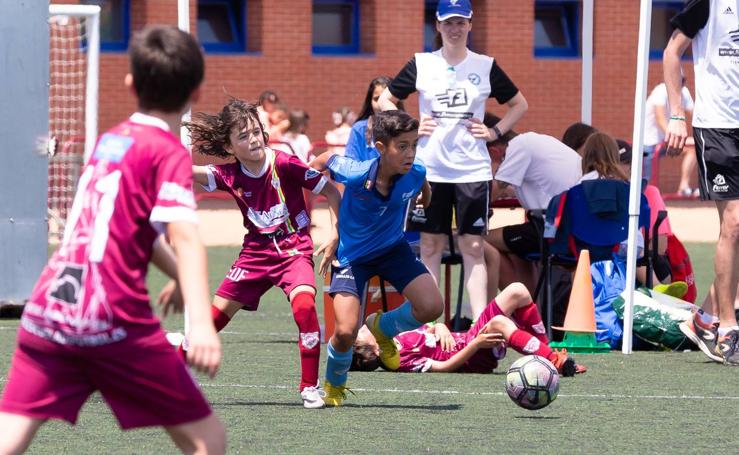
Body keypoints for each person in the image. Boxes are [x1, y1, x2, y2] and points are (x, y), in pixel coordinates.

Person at [0, 26, 226, 454]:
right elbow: (186, 236)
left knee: (7, 440)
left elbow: (123, 227)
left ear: (130, 84)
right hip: (112, 317)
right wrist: (201, 326)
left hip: (50, 309)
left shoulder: (110, 141)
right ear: (197, 92)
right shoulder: (167, 151)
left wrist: (177, 274)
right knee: (208, 440)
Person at [163, 98, 342, 408]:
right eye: (243, 136)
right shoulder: (229, 175)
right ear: (230, 147)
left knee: (304, 308)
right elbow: (186, 171)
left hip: (293, 251)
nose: (254, 139)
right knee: (210, 322)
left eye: (256, 132)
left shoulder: (284, 163)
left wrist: (336, 232)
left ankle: (309, 388)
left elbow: (328, 190)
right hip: (255, 255)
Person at [378, 0, 528, 320]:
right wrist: (411, 128)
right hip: (430, 169)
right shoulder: (422, 63)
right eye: (449, 23)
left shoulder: (485, 65)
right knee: (430, 246)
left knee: (473, 248)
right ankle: (431, 325)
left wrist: (495, 131)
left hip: (472, 169)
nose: (455, 29)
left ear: (471, 25)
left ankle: (479, 326)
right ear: (437, 25)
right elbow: (384, 100)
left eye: (461, 22)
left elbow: (519, 104)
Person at [310, 110, 442, 406]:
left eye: (414, 145)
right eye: (402, 146)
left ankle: (383, 327)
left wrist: (426, 196)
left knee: (432, 306)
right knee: (344, 332)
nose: (410, 154)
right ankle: (334, 386)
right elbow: (320, 162)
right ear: (381, 148)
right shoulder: (354, 172)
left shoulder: (416, 170)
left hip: (392, 249)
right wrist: (328, 225)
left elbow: (423, 184)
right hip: (352, 257)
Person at [664, 0, 739, 365]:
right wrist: (677, 114)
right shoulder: (710, 2)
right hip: (719, 126)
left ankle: (705, 318)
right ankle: (728, 327)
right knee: (734, 223)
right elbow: (671, 52)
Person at [351, 283, 585, 376]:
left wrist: (440, 326)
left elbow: (431, 328)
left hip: (469, 337)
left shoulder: (395, 335)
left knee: (517, 291)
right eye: (361, 332)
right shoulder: (398, 360)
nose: (364, 327)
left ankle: (545, 352)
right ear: (375, 351)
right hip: (472, 356)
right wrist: (476, 344)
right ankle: (554, 362)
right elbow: (442, 367)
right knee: (500, 324)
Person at [483, 118, 582, 294]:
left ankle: (524, 307)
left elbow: (492, 192)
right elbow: (544, 185)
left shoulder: (519, 146)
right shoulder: (537, 141)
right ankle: (533, 309)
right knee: (514, 248)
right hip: (569, 227)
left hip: (552, 229)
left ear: (494, 151)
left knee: (479, 241)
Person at [643, 80, 695, 192]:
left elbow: (695, 115)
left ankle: (683, 187)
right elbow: (659, 118)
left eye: (682, 81)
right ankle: (645, 194)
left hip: (666, 140)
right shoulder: (660, 91)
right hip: (649, 140)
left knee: (692, 149)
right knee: (647, 178)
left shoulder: (684, 92)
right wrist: (674, 137)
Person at [345, 76, 399, 162]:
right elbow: (350, 165)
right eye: (377, 99)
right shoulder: (359, 129)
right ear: (370, 102)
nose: (381, 104)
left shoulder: (406, 130)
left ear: (397, 101)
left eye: (387, 99)